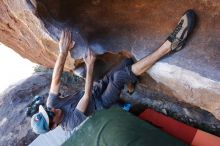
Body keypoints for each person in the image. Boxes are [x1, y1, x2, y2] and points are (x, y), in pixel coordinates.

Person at [31, 10, 196, 134]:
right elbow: (86, 96)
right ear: (53, 126)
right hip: (101, 101)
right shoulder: (70, 123)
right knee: (119, 76)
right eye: (50, 116)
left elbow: (56, 79)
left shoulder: (52, 106)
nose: (51, 110)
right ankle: (170, 46)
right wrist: (90, 65)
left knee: (126, 62)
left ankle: (132, 84)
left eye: (47, 110)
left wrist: (63, 52)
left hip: (96, 90)